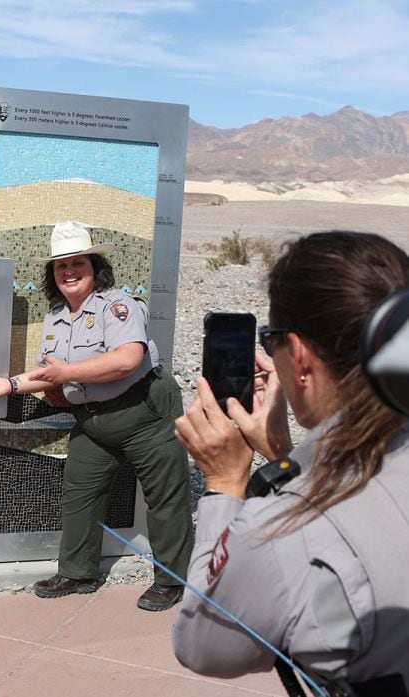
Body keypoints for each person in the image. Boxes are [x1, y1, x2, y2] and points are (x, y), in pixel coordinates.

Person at [172, 231, 409, 691]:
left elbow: (203, 647)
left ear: (298, 356)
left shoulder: (281, 525)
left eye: (271, 339)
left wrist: (224, 482)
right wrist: (285, 454)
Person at [0, 220, 193, 611]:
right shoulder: (56, 318)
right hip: (93, 420)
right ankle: (78, 572)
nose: (70, 271)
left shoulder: (119, 305)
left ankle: (171, 580)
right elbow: (48, 372)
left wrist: (67, 375)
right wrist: (9, 385)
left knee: (166, 499)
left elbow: (128, 360)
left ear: (95, 267)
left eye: (78, 263)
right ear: (52, 274)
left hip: (145, 413)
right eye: (61, 266)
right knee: (80, 495)